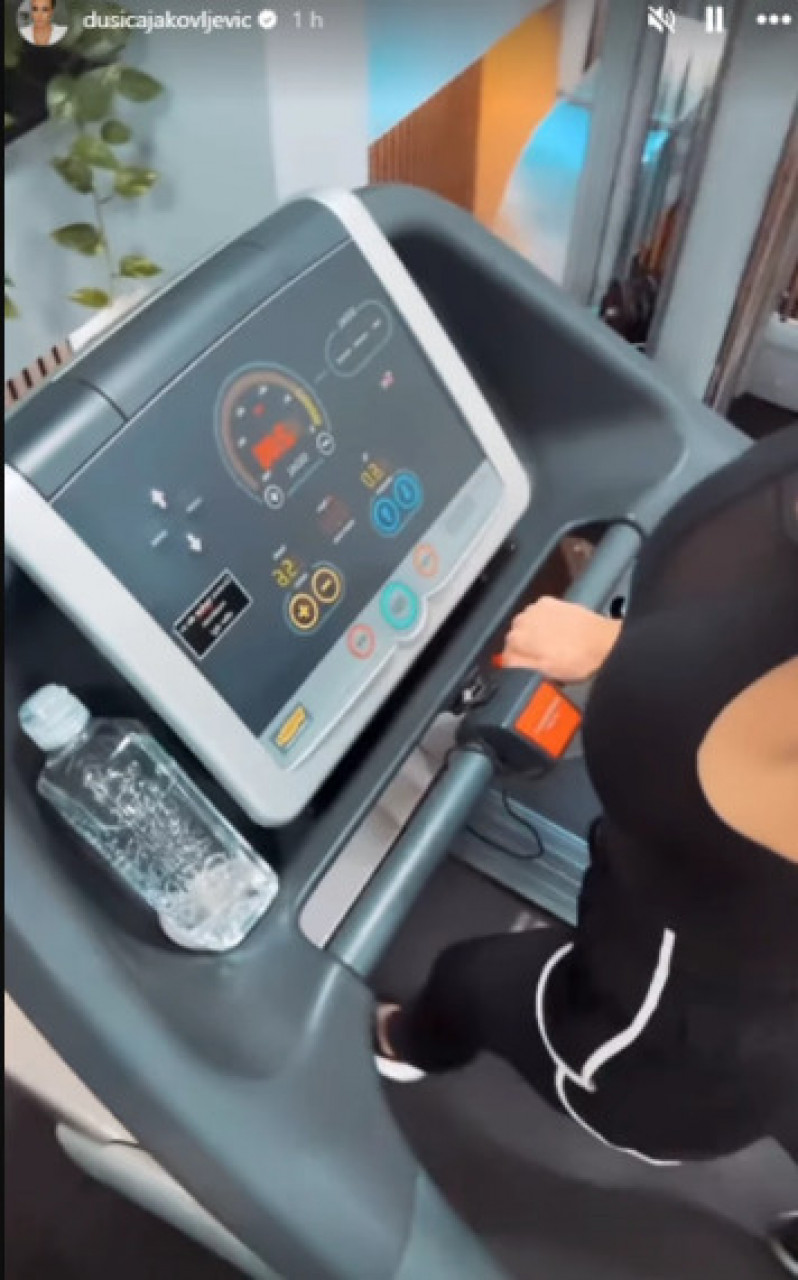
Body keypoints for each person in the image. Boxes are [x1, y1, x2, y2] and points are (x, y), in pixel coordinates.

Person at [374, 424, 798, 1271]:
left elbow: (696, 737)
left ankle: (404, 1043)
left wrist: (615, 653)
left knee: (469, 978)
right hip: (763, 994)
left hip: (667, 1039)